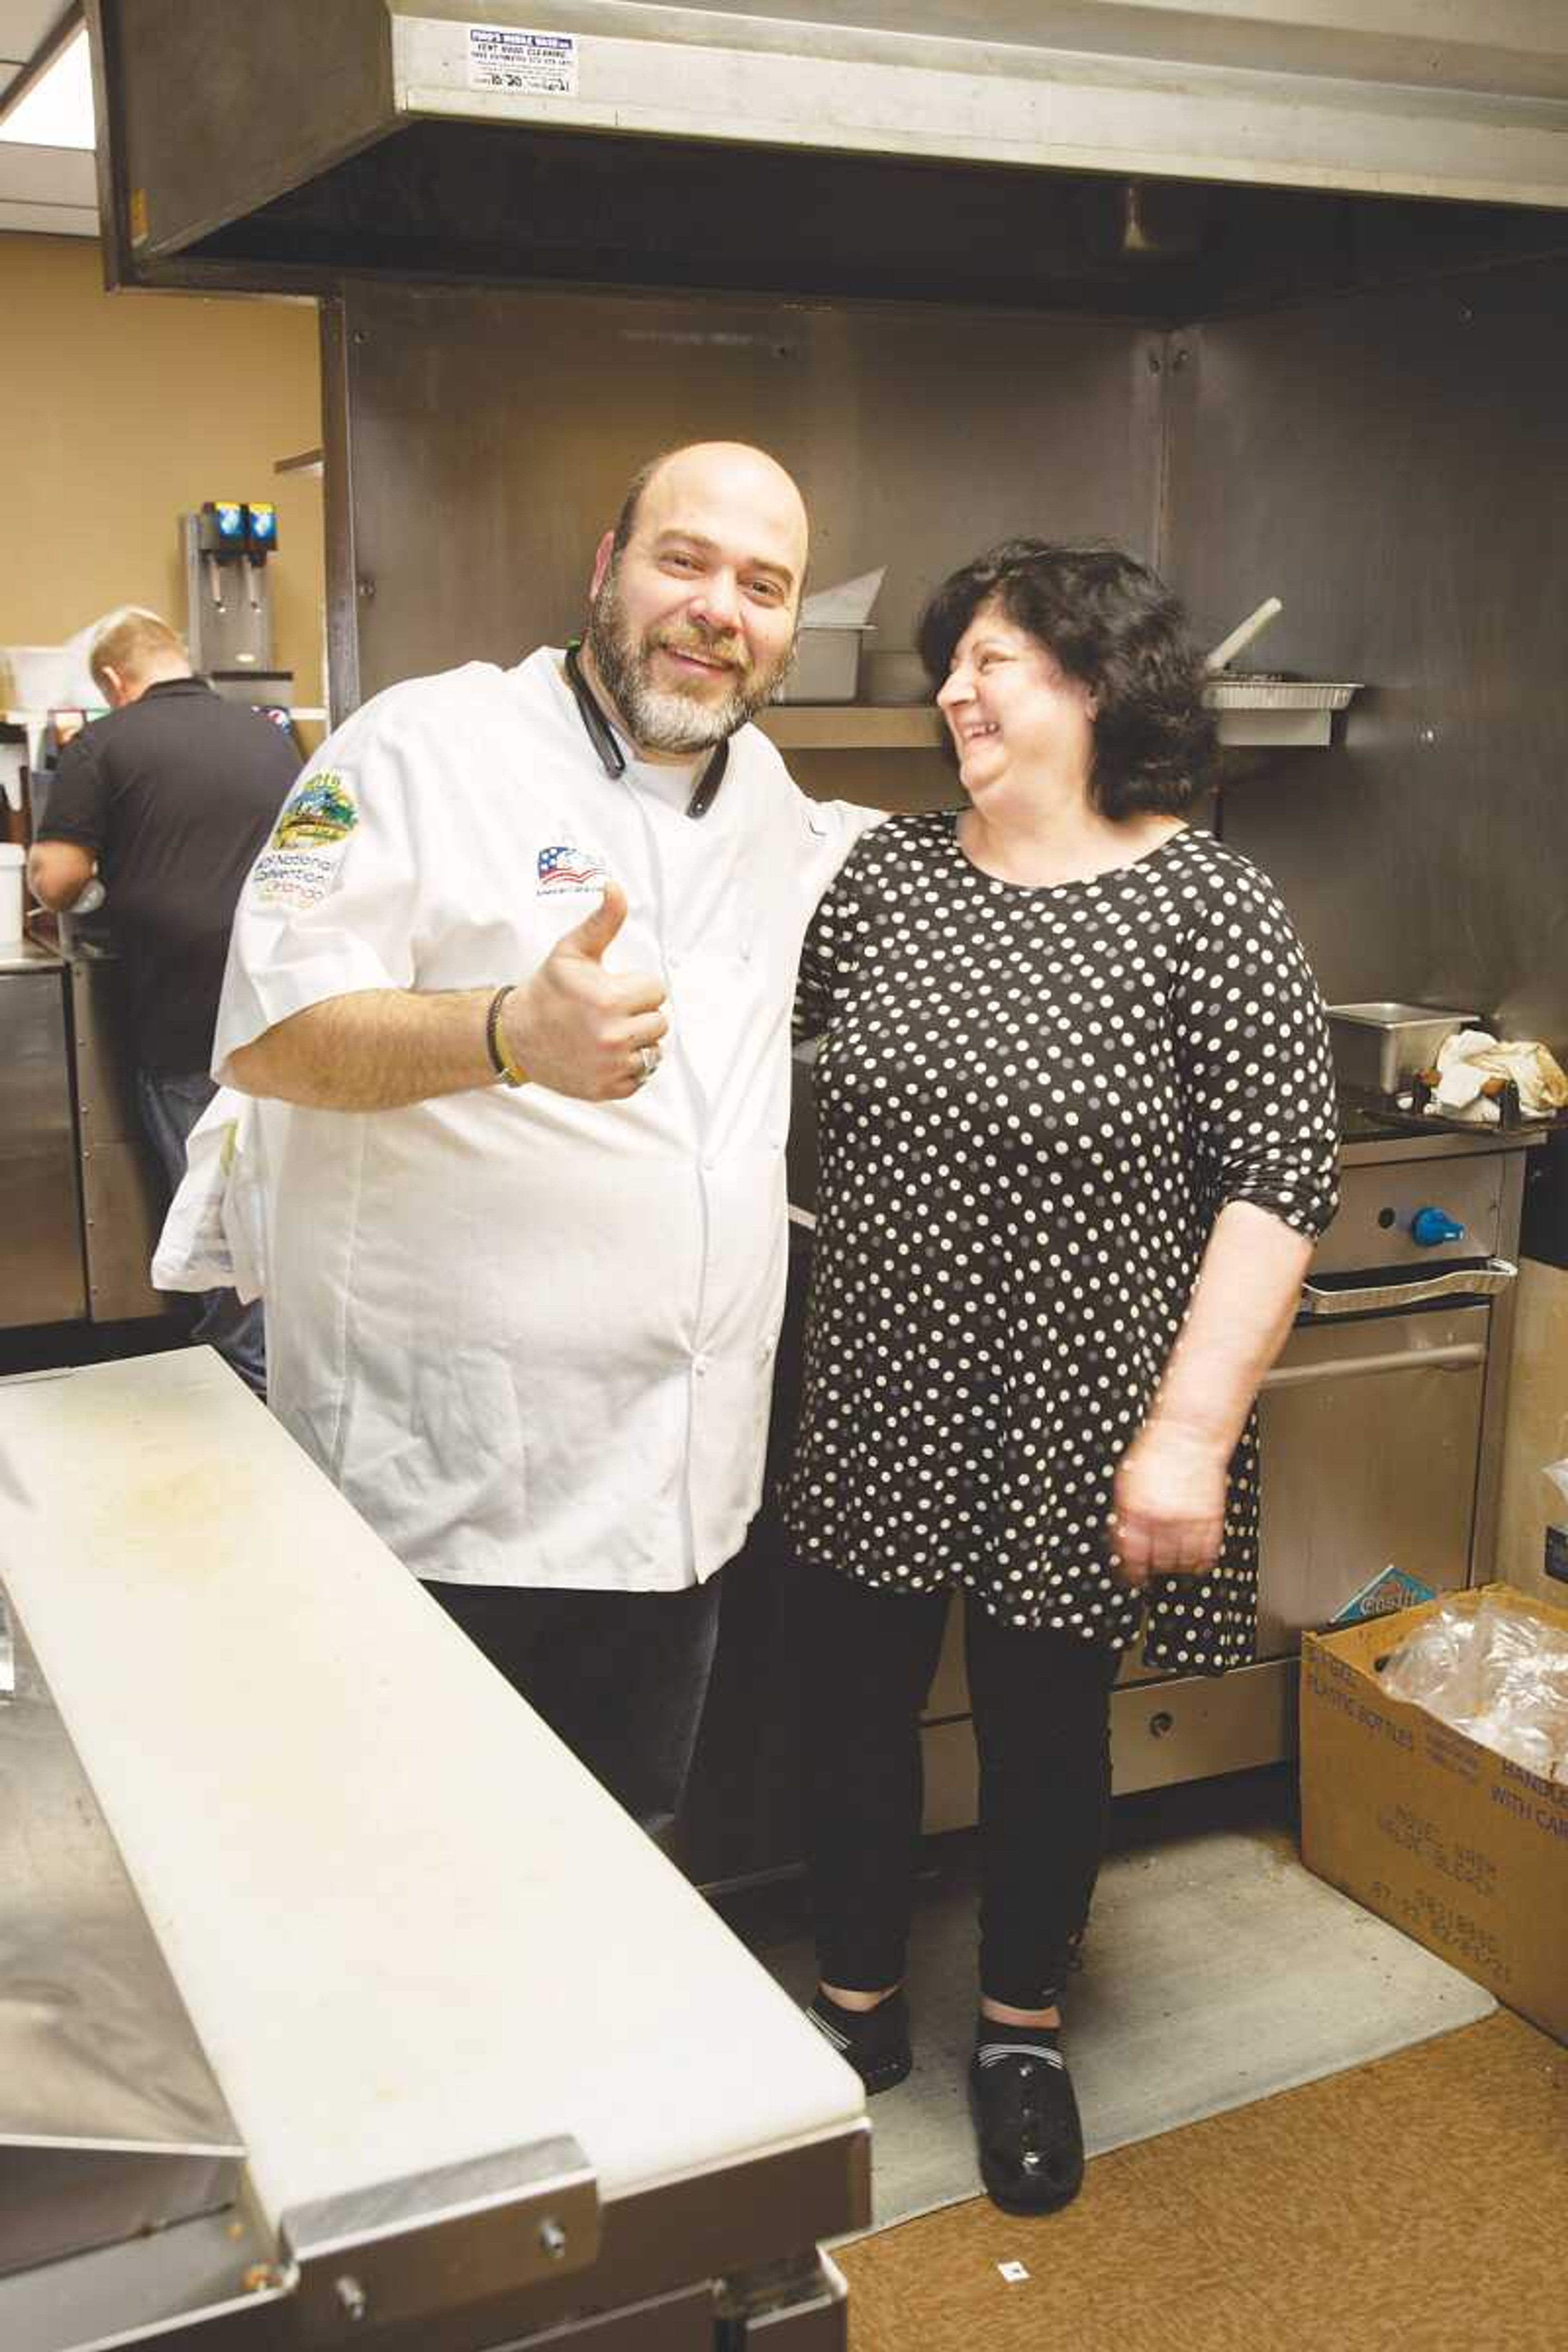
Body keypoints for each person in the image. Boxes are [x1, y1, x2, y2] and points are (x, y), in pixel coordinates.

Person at [784, 540, 1339, 2213]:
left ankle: (1020, 2024)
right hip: (879, 1379)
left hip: (1086, 1406)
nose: (955, 687)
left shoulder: (1208, 903)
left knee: (1041, 1734)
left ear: (1100, 689)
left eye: (998, 661)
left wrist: (1187, 1436)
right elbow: (803, 1111)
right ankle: (856, 2005)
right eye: (954, 660)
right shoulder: (884, 878)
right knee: (850, 1718)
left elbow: (1277, 1181)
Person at [215, 441, 879, 1835]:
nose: (719, 609)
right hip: (447, 1500)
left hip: (678, 1502)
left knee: (624, 1879)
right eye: (684, 561)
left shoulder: (769, 798)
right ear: (605, 570)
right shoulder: (420, 746)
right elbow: (272, 1030)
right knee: (417, 1883)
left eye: (765, 586)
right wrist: (506, 1033)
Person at [28, 609, 298, 1396]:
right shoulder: (267, 734)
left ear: (114, 681)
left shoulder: (104, 744)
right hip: (280, 1011)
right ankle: (290, 1381)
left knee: (211, 1219)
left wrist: (97, 882)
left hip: (181, 1015)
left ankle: (252, 1393)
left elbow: (58, 878)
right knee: (271, 1208)